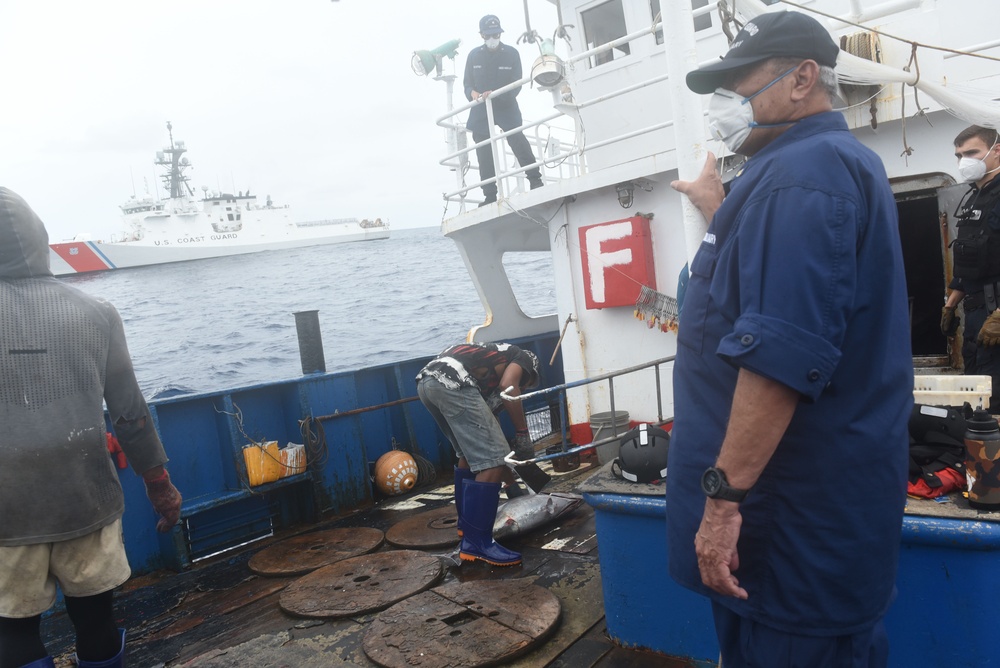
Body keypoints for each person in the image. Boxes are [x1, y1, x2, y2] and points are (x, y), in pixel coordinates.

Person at [664, 12, 913, 668]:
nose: (726, 105)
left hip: (785, 532)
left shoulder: (805, 176)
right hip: (789, 528)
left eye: (740, 84)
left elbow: (781, 356)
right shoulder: (802, 170)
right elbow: (772, 294)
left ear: (803, 78)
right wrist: (717, 208)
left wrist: (721, 506)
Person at [0, 187, 183, 668]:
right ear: (43, 241)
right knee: (96, 621)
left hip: (6, 514)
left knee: (13, 631)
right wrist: (160, 486)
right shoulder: (97, 314)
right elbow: (130, 416)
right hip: (86, 499)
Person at [416, 342, 540, 566]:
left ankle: (466, 527)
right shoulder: (523, 357)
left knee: (468, 454)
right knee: (492, 460)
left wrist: (512, 486)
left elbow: (489, 441)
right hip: (454, 384)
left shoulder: (488, 365)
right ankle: (478, 544)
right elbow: (509, 385)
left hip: (428, 383)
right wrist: (522, 434)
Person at [941, 125, 1000, 411]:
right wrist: (951, 304)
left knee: (996, 397)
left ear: (996, 150)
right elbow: (970, 262)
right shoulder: (974, 196)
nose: (964, 160)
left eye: (972, 152)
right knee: (977, 397)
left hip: (997, 314)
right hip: (977, 316)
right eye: (959, 155)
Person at [464, 14, 544, 206]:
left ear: (500, 33)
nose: (493, 39)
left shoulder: (512, 53)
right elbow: (467, 85)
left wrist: (498, 95)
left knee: (517, 139)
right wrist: (474, 94)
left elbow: (517, 83)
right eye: (488, 35)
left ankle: (535, 180)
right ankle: (490, 195)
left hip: (506, 104)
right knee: (483, 149)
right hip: (482, 108)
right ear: (482, 35)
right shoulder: (473, 55)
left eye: (496, 35)